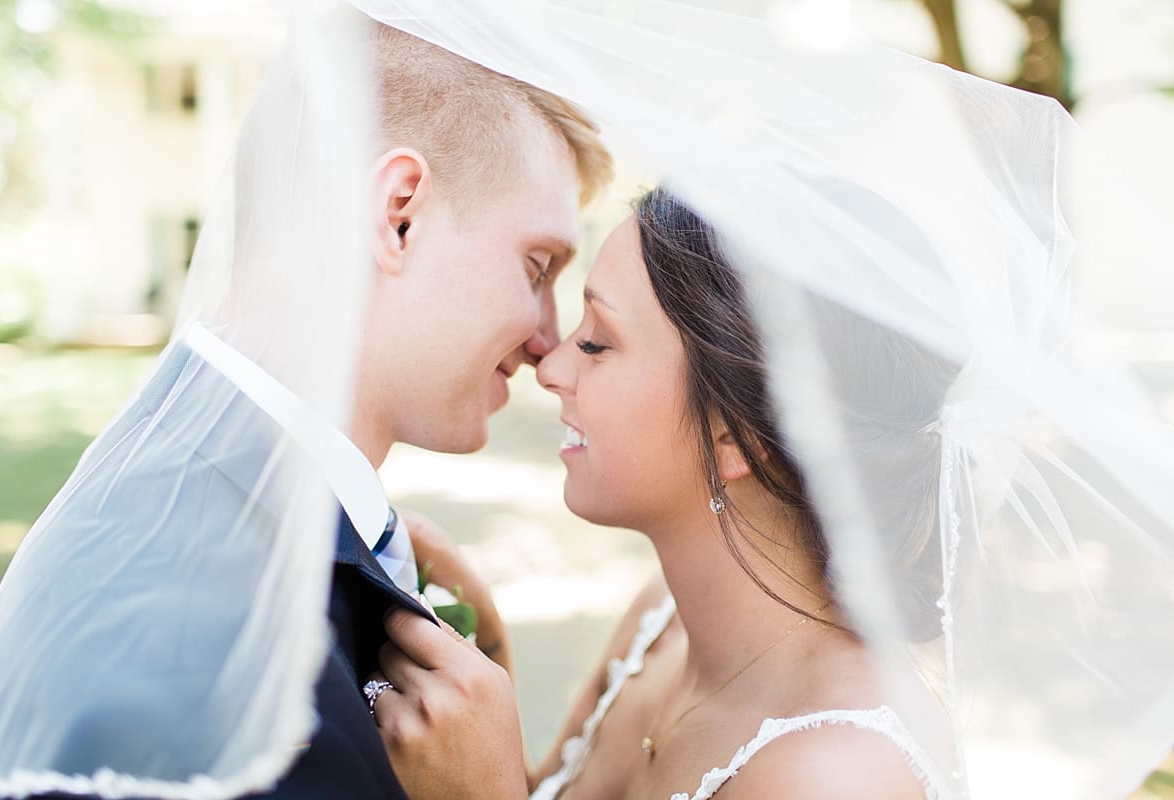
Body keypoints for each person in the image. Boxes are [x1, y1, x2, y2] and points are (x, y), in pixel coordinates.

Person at [0, 12, 611, 800]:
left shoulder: (171, 461)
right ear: (399, 215)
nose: (549, 340)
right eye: (539, 265)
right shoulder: (242, 688)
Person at [371, 186, 952, 800]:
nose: (550, 368)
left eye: (597, 343)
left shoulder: (835, 775)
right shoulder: (664, 620)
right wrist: (489, 660)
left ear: (738, 435)